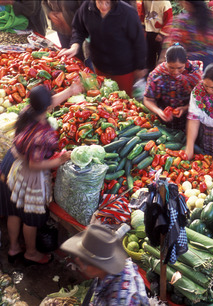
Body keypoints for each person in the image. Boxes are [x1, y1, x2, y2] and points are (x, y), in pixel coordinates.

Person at [0, 82, 83, 265]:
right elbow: (35, 164)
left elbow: (49, 102)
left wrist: (70, 91)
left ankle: (13, 248)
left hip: (11, 163)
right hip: (28, 175)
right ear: (46, 107)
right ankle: (31, 252)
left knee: (13, 211)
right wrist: (61, 159)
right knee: (30, 218)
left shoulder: (27, 112)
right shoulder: (43, 133)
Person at [59, 0, 147, 96]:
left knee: (123, 99)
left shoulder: (127, 13)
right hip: (99, 65)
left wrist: (140, 66)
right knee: (104, 97)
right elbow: (78, 28)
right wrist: (75, 46)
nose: (103, 6)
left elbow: (139, 42)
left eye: (108, 2)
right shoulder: (87, 8)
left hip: (123, 70)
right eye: (100, 2)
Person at [60, 224, 150, 305]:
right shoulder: (116, 270)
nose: (77, 259)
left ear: (97, 266)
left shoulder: (118, 301)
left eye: (83, 260)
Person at [143, 44, 202, 131]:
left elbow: (202, 98)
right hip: (164, 122)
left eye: (180, 68)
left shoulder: (195, 71)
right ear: (166, 62)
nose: (175, 72)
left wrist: (185, 108)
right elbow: (148, 99)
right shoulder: (157, 75)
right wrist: (159, 112)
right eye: (171, 67)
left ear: (185, 62)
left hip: (191, 120)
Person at [160, 0, 213, 69]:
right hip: (212, 68)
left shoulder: (183, 21)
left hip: (191, 69)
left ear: (187, 3)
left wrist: (161, 62)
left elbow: (171, 45)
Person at [143, 0, 172, 72]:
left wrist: (162, 34)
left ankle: (160, 74)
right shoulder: (145, 1)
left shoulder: (165, 2)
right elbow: (143, 14)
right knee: (149, 55)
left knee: (160, 56)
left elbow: (169, 20)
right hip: (148, 31)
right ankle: (149, 75)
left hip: (159, 33)